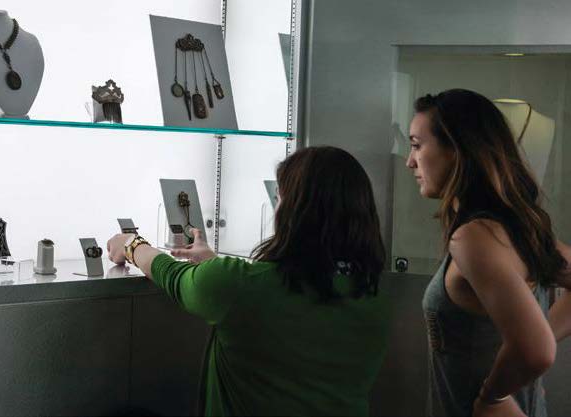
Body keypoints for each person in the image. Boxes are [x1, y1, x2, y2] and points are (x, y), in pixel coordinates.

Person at [107, 146, 391, 416]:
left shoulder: (236, 287)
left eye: (279, 198)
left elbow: (170, 273)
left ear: (295, 210)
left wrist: (131, 243)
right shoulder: (374, 296)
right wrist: (213, 262)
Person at [406, 88, 571, 417]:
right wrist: (539, 332)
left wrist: (491, 398)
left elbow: (536, 351)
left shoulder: (474, 238)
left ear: (457, 150)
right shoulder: (511, 229)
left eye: (416, 145)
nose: (410, 161)